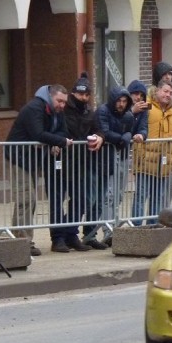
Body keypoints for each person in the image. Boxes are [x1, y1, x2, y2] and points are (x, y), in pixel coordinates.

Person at [3, 84, 72, 256]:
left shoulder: (55, 112)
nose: (62, 106)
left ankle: (21, 239)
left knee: (29, 200)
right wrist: (60, 142)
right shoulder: (35, 108)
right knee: (26, 199)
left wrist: (58, 140)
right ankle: (22, 241)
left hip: (32, 160)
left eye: (64, 102)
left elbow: (63, 130)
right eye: (60, 101)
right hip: (20, 158)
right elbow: (38, 134)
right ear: (50, 96)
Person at [55, 73, 103, 252]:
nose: (83, 98)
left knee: (81, 200)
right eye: (80, 94)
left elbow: (98, 128)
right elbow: (57, 129)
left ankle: (71, 233)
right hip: (62, 161)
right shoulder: (63, 109)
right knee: (58, 201)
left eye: (86, 95)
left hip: (81, 162)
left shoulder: (89, 111)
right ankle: (58, 237)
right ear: (73, 93)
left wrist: (100, 136)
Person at [87, 85, 134, 245]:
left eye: (124, 101)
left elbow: (133, 130)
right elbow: (104, 132)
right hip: (103, 158)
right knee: (106, 197)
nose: (121, 104)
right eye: (119, 101)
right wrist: (122, 137)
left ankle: (109, 229)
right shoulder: (102, 111)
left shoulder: (127, 116)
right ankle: (104, 231)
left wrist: (128, 135)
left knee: (117, 196)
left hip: (119, 157)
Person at [132, 80, 172, 224]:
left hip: (163, 162)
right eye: (165, 91)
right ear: (157, 91)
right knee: (141, 195)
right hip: (145, 159)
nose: (168, 95)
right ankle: (136, 228)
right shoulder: (146, 106)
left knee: (158, 197)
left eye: (171, 93)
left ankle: (152, 227)